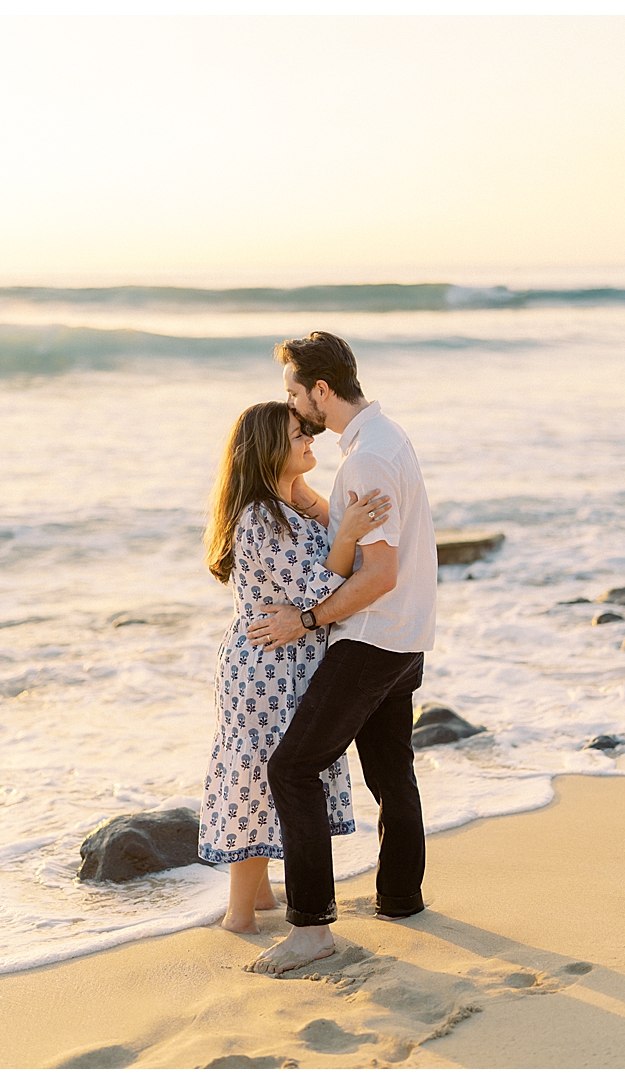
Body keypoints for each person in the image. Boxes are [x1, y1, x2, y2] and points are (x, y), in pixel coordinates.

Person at [245, 331, 439, 976]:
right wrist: (319, 510)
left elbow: (378, 573)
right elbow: (369, 545)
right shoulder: (386, 441)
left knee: (292, 770)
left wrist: (305, 619)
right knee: (390, 774)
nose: (294, 407)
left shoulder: (366, 460)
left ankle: (311, 930)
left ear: (321, 390)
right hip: (406, 634)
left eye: (295, 394)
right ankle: (400, 900)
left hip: (373, 637)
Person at [199, 401, 390, 934]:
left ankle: (259, 898)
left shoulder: (285, 509)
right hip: (265, 666)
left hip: (285, 663)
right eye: (297, 435)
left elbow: (325, 570)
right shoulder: (261, 517)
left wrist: (331, 518)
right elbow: (321, 586)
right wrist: (348, 531)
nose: (310, 439)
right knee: (259, 776)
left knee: (265, 770)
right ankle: (239, 915)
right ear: (268, 452)